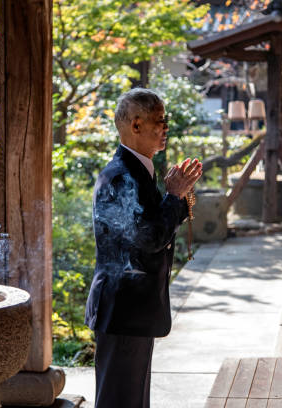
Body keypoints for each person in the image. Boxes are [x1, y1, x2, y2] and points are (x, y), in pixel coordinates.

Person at [85, 88, 202, 408]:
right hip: (123, 307)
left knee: (131, 398)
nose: (165, 127)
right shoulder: (121, 176)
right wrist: (174, 196)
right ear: (136, 125)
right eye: (159, 120)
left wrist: (176, 196)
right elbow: (148, 237)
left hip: (131, 309)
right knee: (120, 400)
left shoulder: (137, 170)